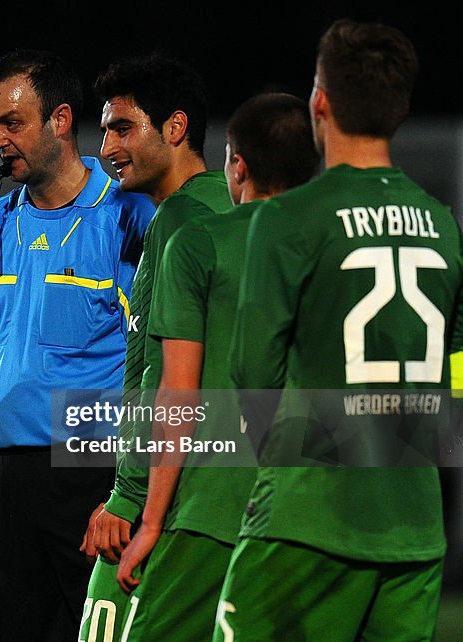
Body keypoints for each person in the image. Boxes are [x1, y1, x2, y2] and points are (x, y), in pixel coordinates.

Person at [217, 19, 459, 641]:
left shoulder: (288, 218)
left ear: (319, 102)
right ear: (399, 108)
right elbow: (457, 377)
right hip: (414, 526)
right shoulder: (443, 224)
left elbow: (253, 374)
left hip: (308, 522)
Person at [0, 49, 156, 640]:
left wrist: (132, 490)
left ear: (59, 119)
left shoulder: (127, 214)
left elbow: (152, 364)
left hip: (94, 474)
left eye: (12, 123)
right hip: (5, 481)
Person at [97, 93, 319, 641]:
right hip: (311, 515)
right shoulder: (333, 251)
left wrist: (146, 518)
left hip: (208, 507)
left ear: (237, 165)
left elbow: (177, 392)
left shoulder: (198, 239)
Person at [80, 53, 232, 641]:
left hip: (177, 504)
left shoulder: (177, 225)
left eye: (122, 128)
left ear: (174, 128)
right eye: (104, 131)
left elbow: (160, 381)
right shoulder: (244, 210)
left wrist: (128, 497)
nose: (107, 147)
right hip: (246, 500)